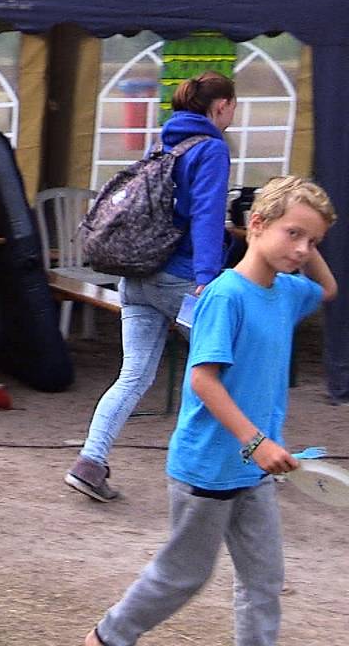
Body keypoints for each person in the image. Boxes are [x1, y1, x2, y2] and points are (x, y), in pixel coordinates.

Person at [84, 175, 337, 646]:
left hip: (252, 473)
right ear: (256, 224)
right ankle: (108, 637)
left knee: (263, 581)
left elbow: (327, 288)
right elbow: (203, 379)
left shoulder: (286, 291)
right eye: (292, 233)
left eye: (314, 240)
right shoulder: (225, 296)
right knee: (184, 575)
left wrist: (304, 233)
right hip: (206, 470)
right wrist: (257, 442)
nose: (302, 249)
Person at [67, 71, 239, 502]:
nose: (233, 115)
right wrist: (206, 278)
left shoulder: (163, 142)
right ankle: (247, 461)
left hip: (137, 276)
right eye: (233, 107)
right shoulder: (212, 150)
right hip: (179, 280)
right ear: (220, 107)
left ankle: (90, 462)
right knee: (230, 367)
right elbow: (206, 214)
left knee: (132, 377)